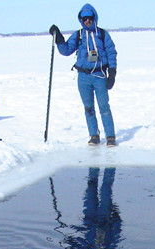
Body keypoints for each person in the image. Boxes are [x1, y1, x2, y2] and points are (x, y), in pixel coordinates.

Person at [49, 4, 118, 147]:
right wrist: (59, 38)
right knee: (88, 107)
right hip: (83, 77)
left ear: (95, 18)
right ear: (81, 19)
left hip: (99, 76)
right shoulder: (79, 35)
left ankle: (110, 136)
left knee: (104, 106)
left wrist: (112, 73)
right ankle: (94, 135)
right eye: (84, 18)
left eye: (90, 18)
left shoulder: (102, 34)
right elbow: (66, 50)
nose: (87, 21)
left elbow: (111, 53)